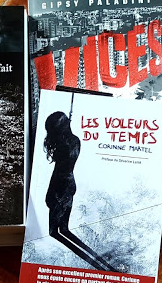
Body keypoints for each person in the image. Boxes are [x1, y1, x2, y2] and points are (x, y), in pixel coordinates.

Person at [44, 111, 116, 272]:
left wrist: (52, 193)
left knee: (55, 232)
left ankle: (101, 265)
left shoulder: (62, 145)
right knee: (63, 230)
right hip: (68, 184)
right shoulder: (74, 141)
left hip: (60, 187)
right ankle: (103, 265)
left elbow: (58, 170)